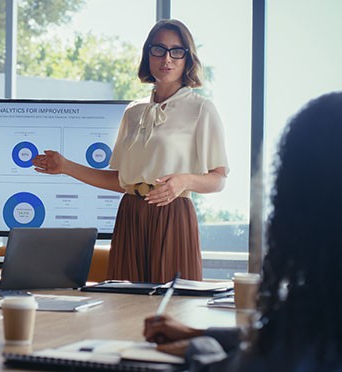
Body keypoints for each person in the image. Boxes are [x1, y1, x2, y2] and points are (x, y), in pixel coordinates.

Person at [143, 92, 342, 371]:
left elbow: (237, 366)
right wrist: (198, 332)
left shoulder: (318, 309)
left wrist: (198, 346)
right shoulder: (323, 300)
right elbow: (277, 335)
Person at [32, 19, 229, 282]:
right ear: (148, 54)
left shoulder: (201, 109)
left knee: (171, 307)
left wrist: (185, 181)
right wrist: (67, 166)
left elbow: (218, 179)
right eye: (158, 49)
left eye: (176, 51)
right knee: (124, 303)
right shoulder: (133, 112)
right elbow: (122, 181)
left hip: (173, 216)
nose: (167, 58)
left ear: (187, 58)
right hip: (130, 215)